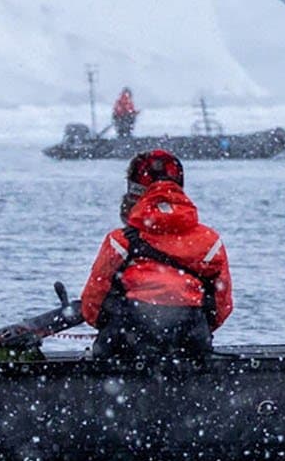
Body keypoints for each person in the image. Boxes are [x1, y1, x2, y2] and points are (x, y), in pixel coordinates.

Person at [80, 148, 231, 361]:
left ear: (134, 193)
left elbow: (92, 306)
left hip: (125, 344)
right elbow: (221, 306)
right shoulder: (211, 242)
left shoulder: (119, 242)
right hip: (191, 343)